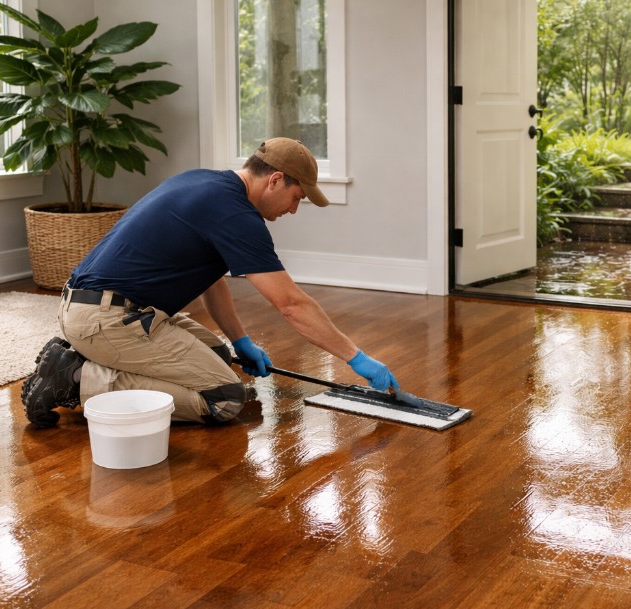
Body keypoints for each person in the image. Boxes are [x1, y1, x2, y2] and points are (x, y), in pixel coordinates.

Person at [21, 137, 399, 428]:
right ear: (275, 180)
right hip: (107, 320)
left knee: (221, 357)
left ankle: (81, 357)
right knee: (224, 397)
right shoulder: (236, 216)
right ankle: (75, 378)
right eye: (296, 197)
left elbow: (211, 280)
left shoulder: (205, 183)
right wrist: (356, 358)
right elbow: (291, 305)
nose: (293, 209)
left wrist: (240, 341)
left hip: (98, 309)